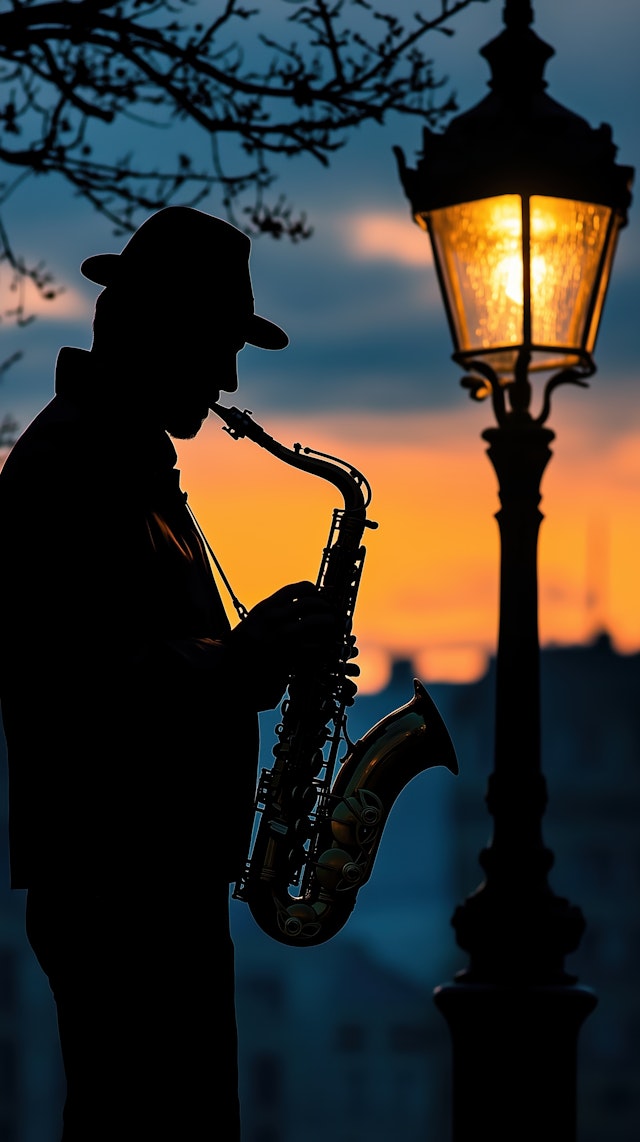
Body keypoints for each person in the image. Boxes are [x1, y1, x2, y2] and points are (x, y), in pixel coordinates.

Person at [0, 206, 340, 1141]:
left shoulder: (115, 460)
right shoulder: (77, 466)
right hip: (125, 890)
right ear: (155, 330)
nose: (229, 378)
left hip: (146, 883)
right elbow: (85, 681)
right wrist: (246, 659)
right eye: (217, 345)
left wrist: (249, 660)